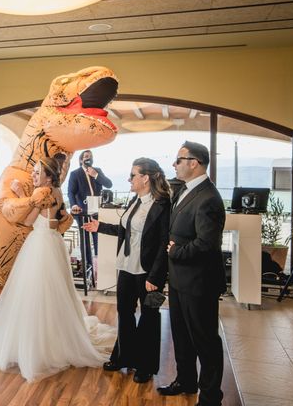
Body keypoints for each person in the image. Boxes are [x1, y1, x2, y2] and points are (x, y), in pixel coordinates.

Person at [0, 157, 114, 382]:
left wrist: (17, 195)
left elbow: (27, 221)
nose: (33, 176)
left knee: (35, 294)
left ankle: (38, 346)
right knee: (52, 294)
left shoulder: (42, 193)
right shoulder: (56, 192)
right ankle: (54, 338)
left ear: (49, 176)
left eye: (36, 173)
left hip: (40, 244)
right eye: (33, 172)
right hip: (52, 241)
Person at [82, 158, 170, 383]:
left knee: (149, 316)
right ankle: (123, 357)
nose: (129, 179)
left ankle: (145, 365)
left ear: (145, 178)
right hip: (126, 266)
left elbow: (163, 244)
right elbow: (127, 231)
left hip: (147, 271)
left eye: (133, 175)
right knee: (125, 313)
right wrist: (100, 227)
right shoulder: (135, 200)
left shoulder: (162, 205)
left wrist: (156, 276)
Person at [157, 141, 226, 406]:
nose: (174, 164)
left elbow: (206, 243)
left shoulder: (208, 197)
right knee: (181, 336)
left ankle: (210, 397)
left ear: (193, 163)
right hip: (178, 280)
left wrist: (176, 253)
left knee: (205, 341)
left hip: (199, 282)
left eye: (178, 160)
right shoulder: (184, 190)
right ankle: (185, 380)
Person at [68, 150, 113, 261]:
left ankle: (100, 263)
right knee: (85, 240)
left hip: (98, 210)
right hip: (82, 211)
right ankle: (88, 263)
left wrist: (96, 175)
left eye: (91, 156)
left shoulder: (98, 171)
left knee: (98, 238)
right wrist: (73, 205)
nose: (89, 158)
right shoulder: (75, 174)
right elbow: (71, 192)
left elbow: (109, 184)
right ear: (81, 160)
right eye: (86, 156)